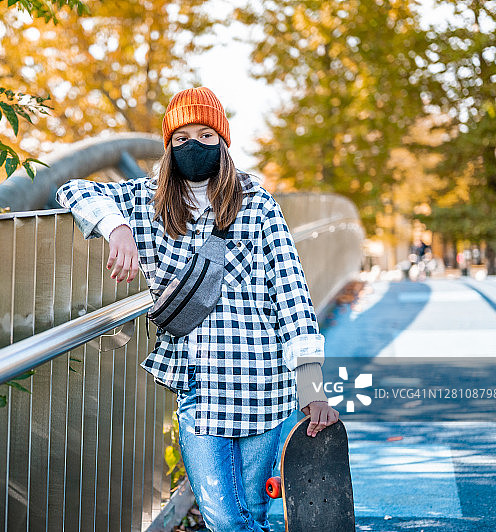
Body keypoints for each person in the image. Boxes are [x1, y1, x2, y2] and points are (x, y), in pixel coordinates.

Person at [56, 87, 338, 532]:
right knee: (224, 519)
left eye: (206, 135)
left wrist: (313, 389)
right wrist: (117, 228)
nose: (194, 145)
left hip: (263, 383)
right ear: (168, 146)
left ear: (223, 142)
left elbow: (292, 293)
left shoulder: (256, 203)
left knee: (251, 514)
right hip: (199, 386)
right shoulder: (146, 200)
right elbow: (72, 188)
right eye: (182, 137)